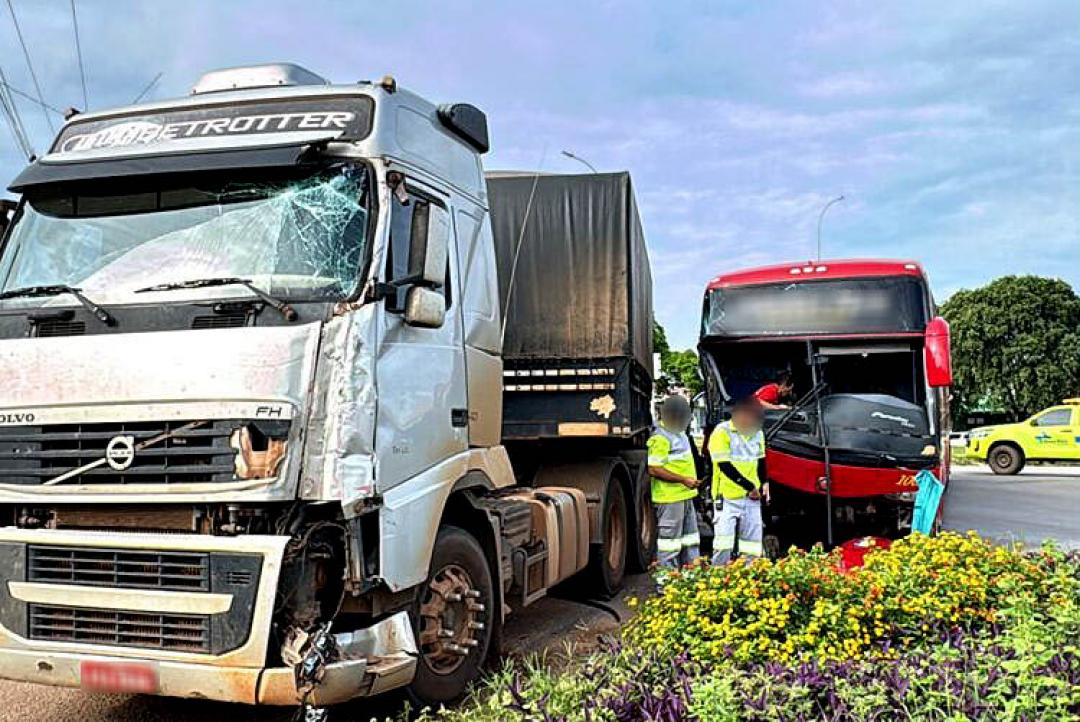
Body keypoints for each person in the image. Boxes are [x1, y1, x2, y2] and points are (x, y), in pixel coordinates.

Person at [709, 396, 768, 564]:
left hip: (751, 498)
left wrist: (765, 483)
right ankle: (718, 582)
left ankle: (748, 583)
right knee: (723, 546)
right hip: (727, 497)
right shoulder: (722, 432)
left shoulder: (757, 433)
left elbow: (761, 461)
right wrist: (749, 486)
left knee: (752, 547)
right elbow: (724, 465)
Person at [647, 395, 702, 568]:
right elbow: (654, 469)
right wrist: (683, 480)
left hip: (685, 496)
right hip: (670, 498)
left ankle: (690, 581)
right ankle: (666, 586)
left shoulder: (679, 433)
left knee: (690, 541)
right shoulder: (660, 438)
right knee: (669, 544)